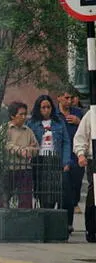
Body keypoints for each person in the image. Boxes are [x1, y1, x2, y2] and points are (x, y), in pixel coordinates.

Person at [28, 95, 73, 233]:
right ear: (38, 108)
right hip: (40, 160)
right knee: (44, 193)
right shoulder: (32, 123)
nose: (46, 110)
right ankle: (46, 222)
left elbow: (66, 142)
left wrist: (66, 161)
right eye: (43, 107)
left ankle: (64, 223)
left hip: (55, 159)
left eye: (48, 107)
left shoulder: (58, 122)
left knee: (61, 191)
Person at [0, 102, 39, 208]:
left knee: (25, 200)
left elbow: (36, 147)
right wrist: (19, 150)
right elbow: (4, 144)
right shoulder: (5, 129)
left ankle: (24, 220)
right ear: (13, 116)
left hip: (24, 168)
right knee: (2, 200)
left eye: (25, 114)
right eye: (21, 114)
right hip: (8, 168)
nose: (24, 117)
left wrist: (27, 150)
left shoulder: (28, 131)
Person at [73, 110, 96, 242]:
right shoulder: (92, 114)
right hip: (94, 158)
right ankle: (92, 229)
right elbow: (80, 137)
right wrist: (81, 154)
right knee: (94, 194)